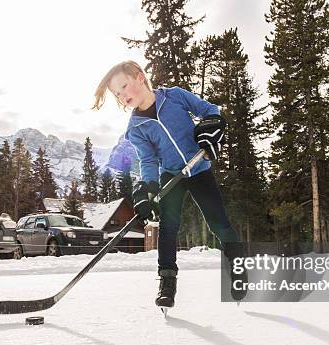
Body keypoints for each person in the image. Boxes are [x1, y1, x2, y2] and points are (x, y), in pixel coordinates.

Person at [93, 60, 247, 309]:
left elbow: (210, 110)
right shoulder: (136, 128)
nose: (122, 96)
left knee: (219, 224)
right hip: (171, 175)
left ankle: (239, 269)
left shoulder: (175, 96)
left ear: (140, 77)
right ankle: (167, 283)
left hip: (199, 169)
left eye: (124, 87)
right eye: (117, 94)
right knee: (168, 227)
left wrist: (211, 128)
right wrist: (148, 188)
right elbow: (148, 159)